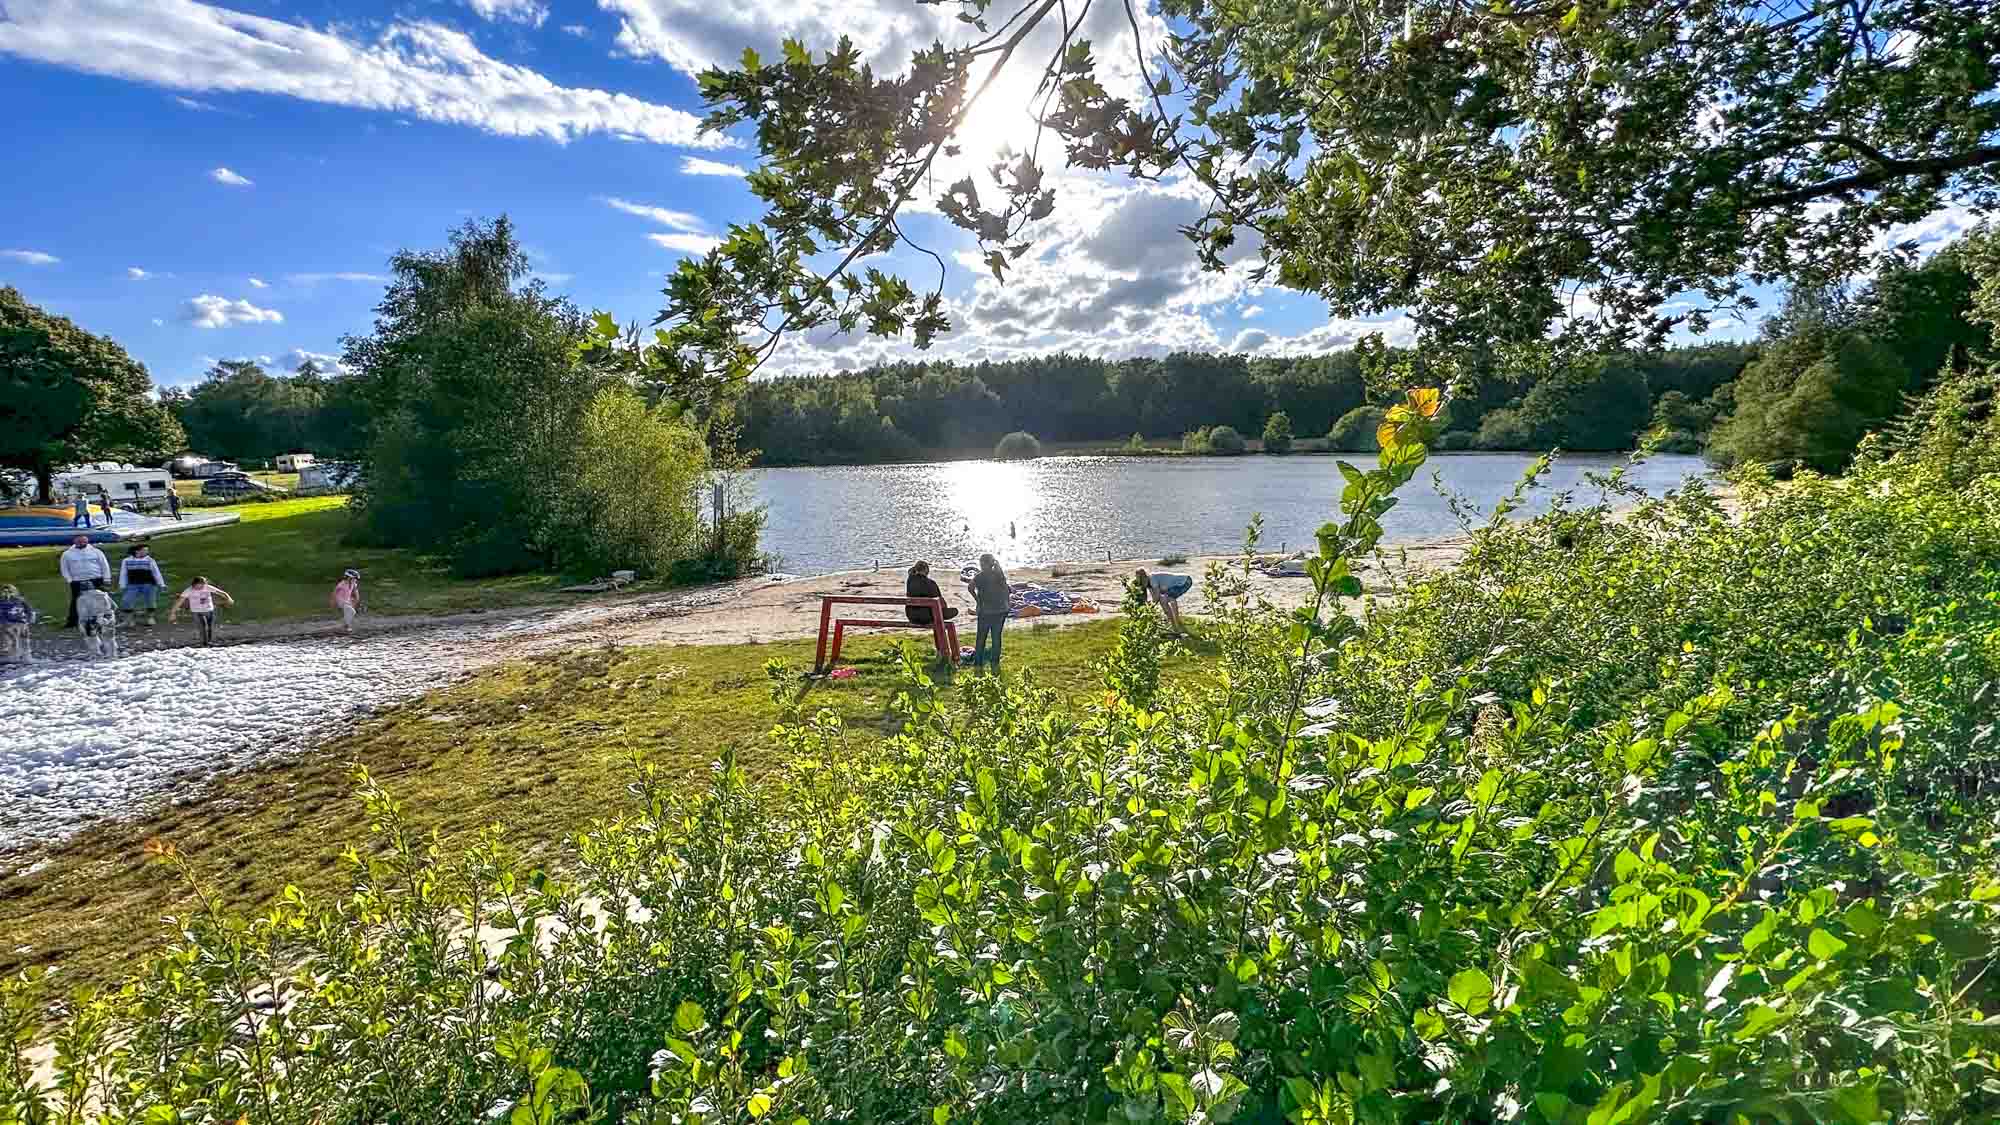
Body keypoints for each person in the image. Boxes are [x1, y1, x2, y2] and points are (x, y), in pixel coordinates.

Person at [968, 553, 1011, 670]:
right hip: (1000, 610)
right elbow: (1006, 591)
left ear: (983, 564)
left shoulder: (980, 576)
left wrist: (977, 601)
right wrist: (1007, 605)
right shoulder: (999, 575)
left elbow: (970, 587)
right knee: (996, 637)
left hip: (985, 611)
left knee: (981, 637)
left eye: (981, 563)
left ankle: (978, 662)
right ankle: (995, 662)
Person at [59, 533, 110, 628]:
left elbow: (104, 565)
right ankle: (73, 621)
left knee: (99, 599)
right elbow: (64, 568)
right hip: (77, 581)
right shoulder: (67, 554)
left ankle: (102, 619)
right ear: (74, 541)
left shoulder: (97, 552)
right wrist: (69, 580)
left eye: (84, 541)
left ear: (87, 541)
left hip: (96, 579)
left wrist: (107, 578)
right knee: (77, 601)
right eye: (79, 541)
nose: (82, 543)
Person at [169, 576, 235, 646]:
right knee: (203, 627)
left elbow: (222, 593)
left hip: (209, 610)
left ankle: (209, 642)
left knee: (210, 627)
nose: (199, 588)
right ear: (193, 585)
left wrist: (229, 598)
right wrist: (172, 613)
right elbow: (179, 602)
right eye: (197, 587)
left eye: (202, 586)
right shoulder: (188, 590)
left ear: (204, 584)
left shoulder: (207, 587)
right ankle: (204, 644)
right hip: (197, 611)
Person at [1133, 567, 1193, 635]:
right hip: (1182, 582)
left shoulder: (1152, 579)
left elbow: (1157, 597)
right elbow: (1154, 598)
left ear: (1145, 577)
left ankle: (1176, 622)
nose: (1141, 584)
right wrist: (1150, 605)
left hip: (1185, 581)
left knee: (1166, 599)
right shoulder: (1149, 584)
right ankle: (1174, 623)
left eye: (1141, 581)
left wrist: (1149, 608)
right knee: (1164, 600)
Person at [119, 542, 165, 626]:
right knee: (127, 601)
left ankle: (150, 618)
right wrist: (122, 585)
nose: (147, 552)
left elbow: (156, 573)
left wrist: (161, 584)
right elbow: (123, 573)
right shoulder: (127, 561)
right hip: (133, 584)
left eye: (147, 550)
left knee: (150, 601)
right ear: (137, 551)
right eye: (144, 550)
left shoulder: (150, 560)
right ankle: (129, 620)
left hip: (149, 584)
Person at [904, 560, 959, 627]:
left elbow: (910, 572)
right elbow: (941, 602)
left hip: (912, 617)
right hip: (928, 617)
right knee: (955, 611)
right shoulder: (931, 583)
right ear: (927, 571)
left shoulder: (910, 581)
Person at [0, 584, 35, 664]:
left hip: (14, 625)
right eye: (5, 592)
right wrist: (29, 620)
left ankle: (18, 657)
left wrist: (29, 621)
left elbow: (30, 611)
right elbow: (30, 611)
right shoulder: (20, 600)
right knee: (19, 642)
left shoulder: (19, 601)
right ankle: (23, 657)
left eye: (9, 592)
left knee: (17, 642)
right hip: (16, 624)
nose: (7, 594)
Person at [330, 568, 364, 633]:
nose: (355, 580)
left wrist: (356, 600)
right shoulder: (341, 584)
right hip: (340, 601)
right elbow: (334, 593)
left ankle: (345, 624)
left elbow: (356, 592)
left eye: (355, 579)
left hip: (347, 601)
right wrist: (332, 602)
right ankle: (347, 626)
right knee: (351, 611)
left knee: (350, 612)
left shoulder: (353, 584)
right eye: (354, 578)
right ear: (349, 578)